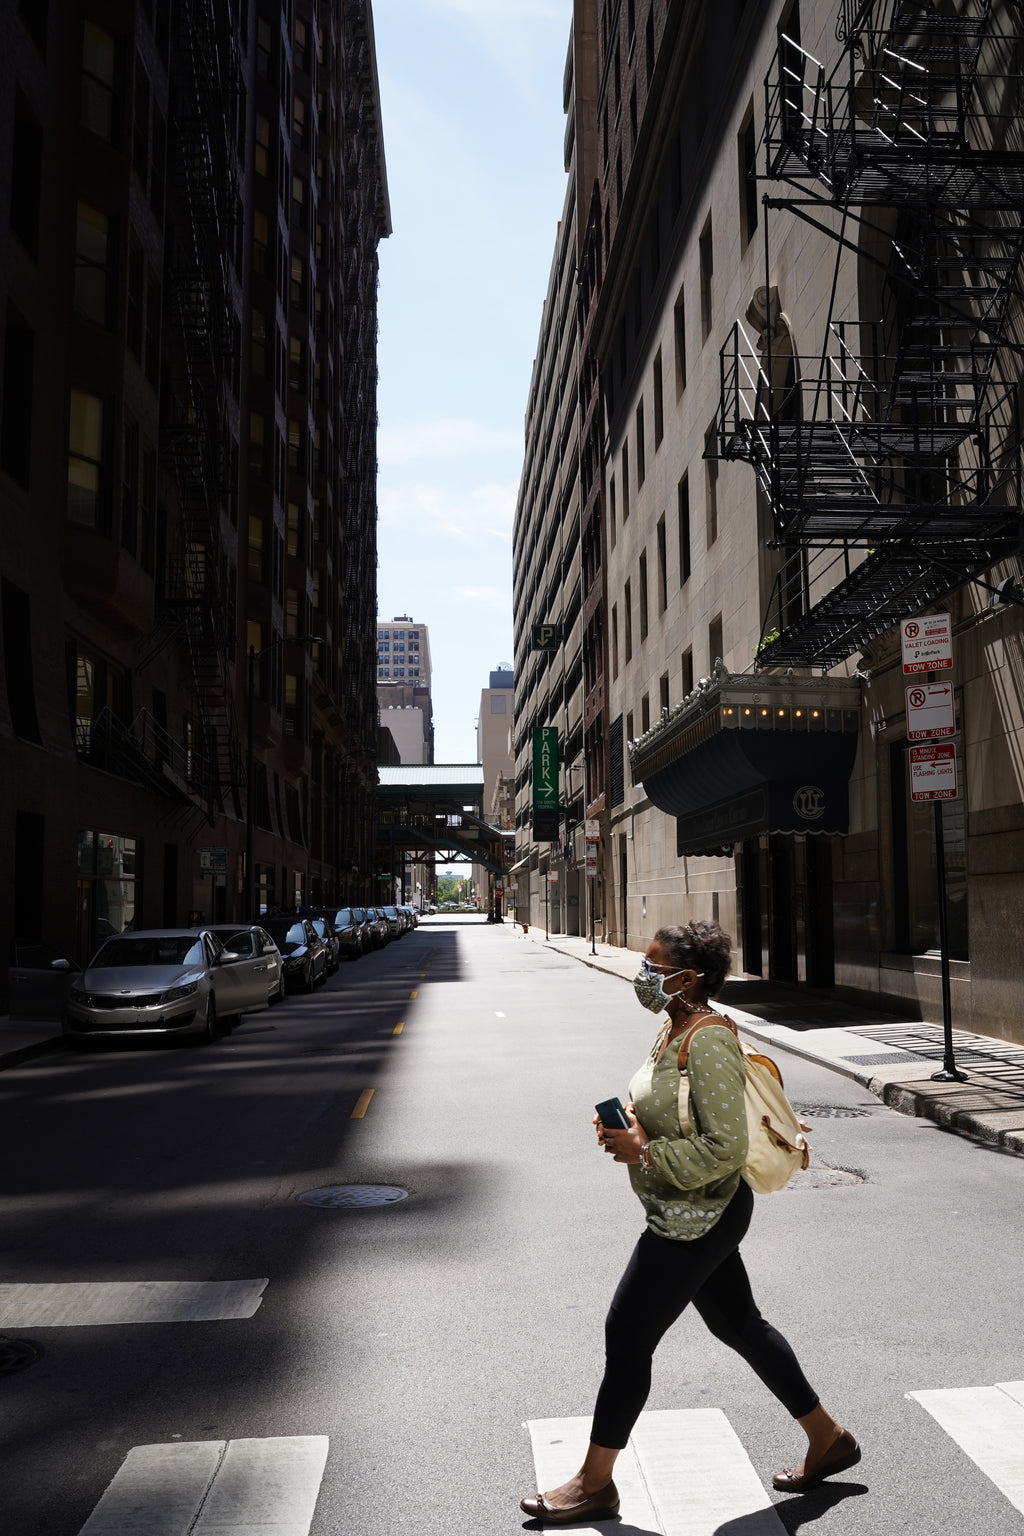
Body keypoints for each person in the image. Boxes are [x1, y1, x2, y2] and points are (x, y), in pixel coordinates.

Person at [520, 919, 860, 1526]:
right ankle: (828, 1438)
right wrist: (632, 1123)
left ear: (689, 978)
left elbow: (726, 1148)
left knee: (627, 1335)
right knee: (741, 1326)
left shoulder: (706, 1039)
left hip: (698, 1215)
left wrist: (644, 1151)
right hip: (687, 1207)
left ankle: (596, 1483)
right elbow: (675, 1111)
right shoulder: (672, 1030)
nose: (643, 976)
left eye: (655, 967)